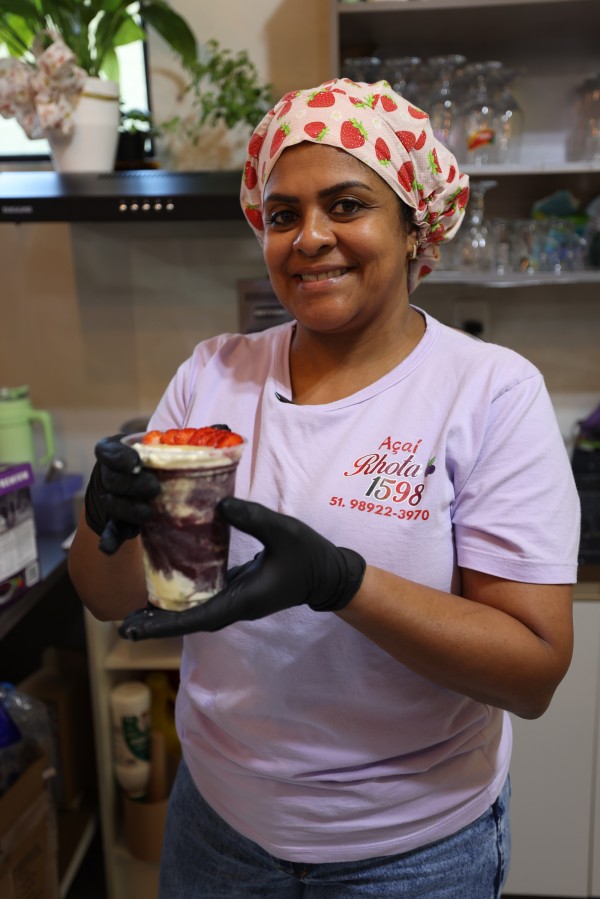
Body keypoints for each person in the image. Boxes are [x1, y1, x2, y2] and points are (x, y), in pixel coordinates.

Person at [68, 78, 580, 899]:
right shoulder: (213, 374)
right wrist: (106, 516)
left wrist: (343, 582)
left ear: (414, 225)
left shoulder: (488, 392)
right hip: (217, 831)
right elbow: (107, 597)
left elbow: (533, 670)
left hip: (413, 855)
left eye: (346, 205)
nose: (309, 238)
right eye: (282, 214)